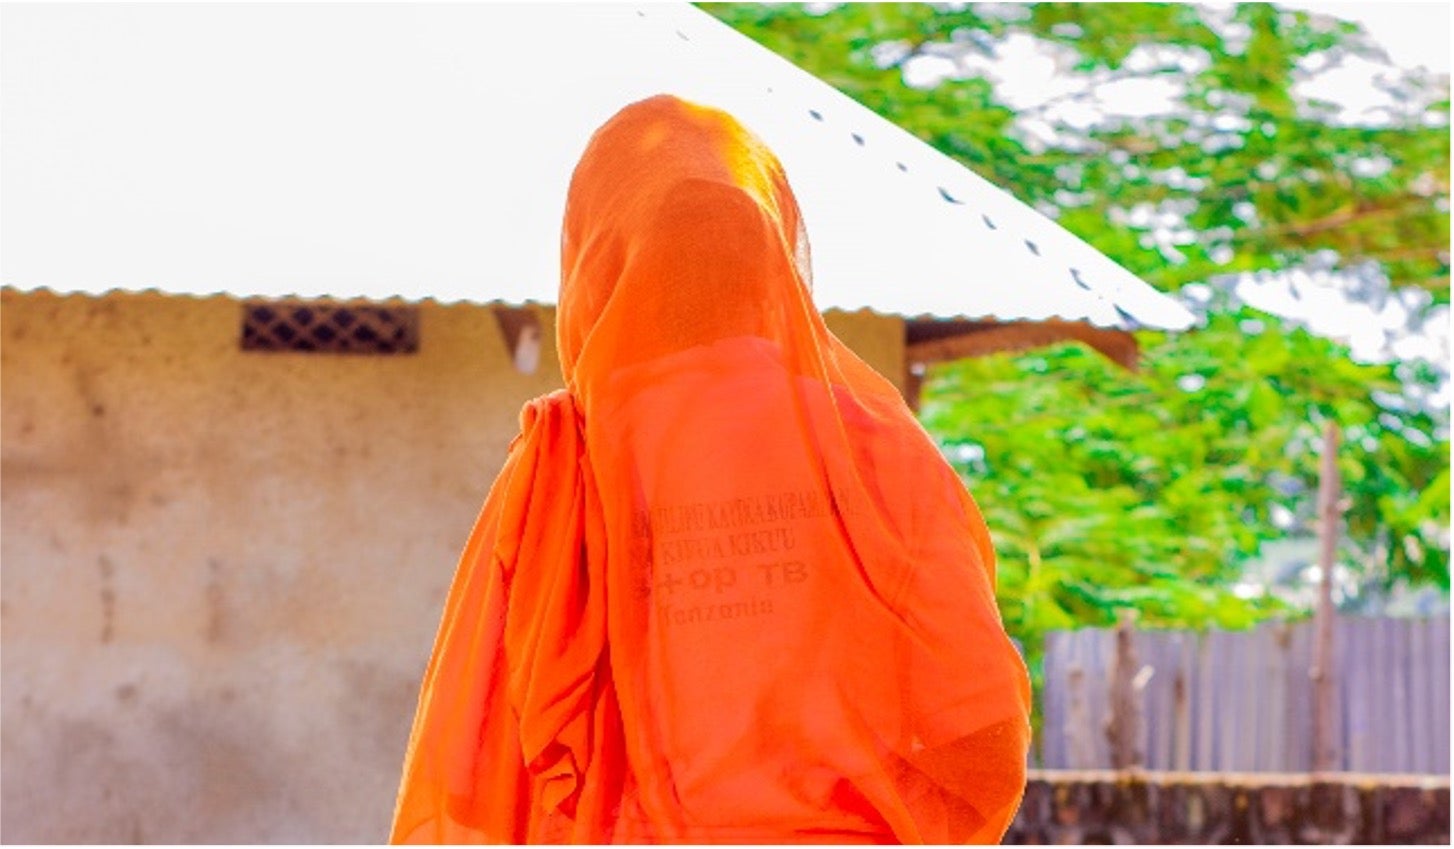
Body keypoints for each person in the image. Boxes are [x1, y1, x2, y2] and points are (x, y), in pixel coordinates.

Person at [389, 94, 1032, 844]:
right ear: (772, 253)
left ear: (595, 255)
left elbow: (474, 776)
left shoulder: (562, 460)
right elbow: (982, 738)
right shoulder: (876, 445)